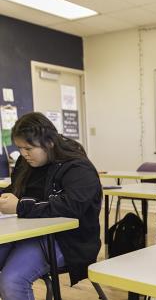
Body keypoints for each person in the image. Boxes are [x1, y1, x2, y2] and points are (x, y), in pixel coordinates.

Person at [0, 112, 102, 300]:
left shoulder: (77, 167)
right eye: (20, 148)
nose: (23, 154)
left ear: (50, 142)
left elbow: (71, 207)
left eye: (29, 148)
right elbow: (16, 190)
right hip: (28, 232)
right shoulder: (26, 162)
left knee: (12, 281)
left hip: (68, 240)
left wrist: (20, 207)